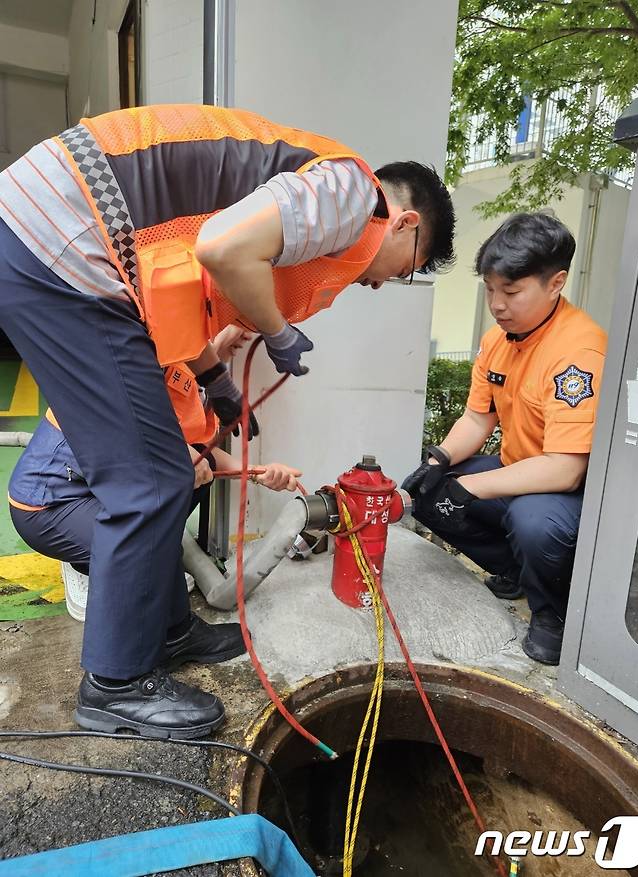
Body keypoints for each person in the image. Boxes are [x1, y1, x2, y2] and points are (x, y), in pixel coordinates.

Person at [0, 104, 455, 739]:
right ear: (403, 223)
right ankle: (115, 684)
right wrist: (278, 330)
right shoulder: (354, 192)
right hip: (63, 243)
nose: (381, 285)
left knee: (167, 476)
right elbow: (223, 248)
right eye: (404, 270)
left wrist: (215, 382)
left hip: (57, 233)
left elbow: (177, 303)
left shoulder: (313, 183)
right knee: (149, 481)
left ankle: (169, 633)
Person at [403, 213, 607, 666]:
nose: (497, 304)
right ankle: (514, 571)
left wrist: (470, 487)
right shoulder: (499, 340)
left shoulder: (579, 351)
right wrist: (438, 460)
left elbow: (565, 467)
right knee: (429, 493)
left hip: (566, 489)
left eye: (511, 292)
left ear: (555, 283)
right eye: (490, 289)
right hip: (516, 467)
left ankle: (553, 614)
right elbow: (478, 420)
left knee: (534, 524)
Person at [8, 325, 301, 629]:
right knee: (148, 553)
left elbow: (204, 457)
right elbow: (120, 424)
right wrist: (180, 454)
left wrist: (258, 473)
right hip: (50, 505)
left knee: (194, 481)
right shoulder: (144, 363)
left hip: (97, 489)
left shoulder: (193, 386)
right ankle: (85, 564)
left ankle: (109, 551)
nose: (237, 333)